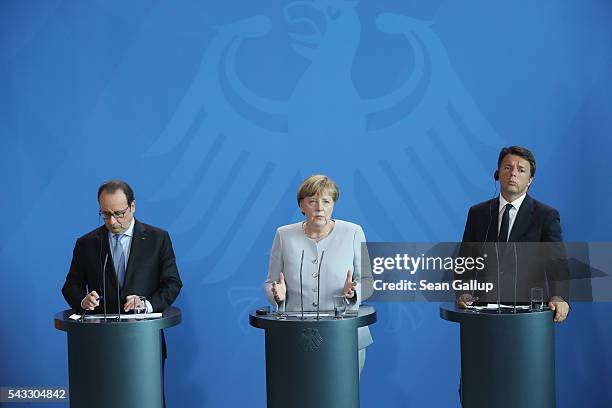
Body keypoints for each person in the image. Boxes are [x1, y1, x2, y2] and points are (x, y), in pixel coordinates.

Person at [264, 174, 373, 374]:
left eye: (326, 201)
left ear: (333, 205)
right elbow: (271, 282)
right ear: (301, 206)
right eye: (312, 201)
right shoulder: (283, 235)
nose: (319, 208)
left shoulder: (354, 232)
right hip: (294, 336)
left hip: (345, 336)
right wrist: (277, 296)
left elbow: (367, 280)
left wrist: (355, 291)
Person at [457, 146, 569, 323]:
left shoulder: (545, 216)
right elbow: (465, 260)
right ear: (498, 173)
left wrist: (559, 297)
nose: (513, 174)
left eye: (521, 170)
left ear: (530, 179)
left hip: (528, 317)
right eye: (507, 168)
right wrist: (463, 292)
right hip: (483, 315)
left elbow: (558, 265)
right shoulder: (478, 213)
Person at [62, 179, 182, 314]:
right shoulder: (86, 244)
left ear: (133, 206)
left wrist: (146, 305)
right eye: (106, 214)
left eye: (118, 214)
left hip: (145, 329)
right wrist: (83, 300)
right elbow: (71, 286)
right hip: (100, 331)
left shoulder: (158, 239)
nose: (112, 222)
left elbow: (172, 283)